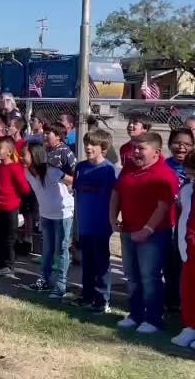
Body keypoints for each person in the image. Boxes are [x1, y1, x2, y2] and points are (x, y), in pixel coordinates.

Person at [111, 132, 179, 334]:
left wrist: (146, 230)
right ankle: (136, 315)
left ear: (156, 152)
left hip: (154, 234)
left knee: (150, 277)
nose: (135, 153)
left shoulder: (164, 174)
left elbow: (163, 207)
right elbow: (117, 192)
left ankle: (153, 319)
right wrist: (112, 217)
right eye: (134, 148)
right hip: (129, 230)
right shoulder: (130, 168)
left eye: (141, 149)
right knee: (132, 276)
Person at [22, 143, 74, 299]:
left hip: (63, 214)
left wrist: (70, 192)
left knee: (62, 250)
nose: (21, 157)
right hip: (46, 214)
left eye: (24, 154)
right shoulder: (27, 172)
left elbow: (72, 180)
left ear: (34, 155)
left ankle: (61, 285)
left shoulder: (52, 171)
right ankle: (44, 280)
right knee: (47, 249)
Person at [73, 128, 116, 313]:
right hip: (85, 224)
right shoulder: (81, 167)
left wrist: (112, 220)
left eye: (93, 145)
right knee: (87, 262)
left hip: (100, 224)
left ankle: (102, 299)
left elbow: (115, 197)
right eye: (86, 144)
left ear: (103, 147)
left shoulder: (108, 169)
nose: (88, 147)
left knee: (101, 263)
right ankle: (87, 295)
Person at [0, 136, 31, 276]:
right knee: (1, 236)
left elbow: (24, 188)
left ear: (9, 152)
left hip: (11, 207)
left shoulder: (14, 168)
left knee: (10, 237)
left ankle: (9, 265)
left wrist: (18, 200)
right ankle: (1, 262)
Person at [165, 129, 194, 313]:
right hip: (169, 221)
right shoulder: (164, 166)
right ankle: (172, 299)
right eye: (177, 142)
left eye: (187, 144)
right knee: (171, 261)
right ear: (169, 144)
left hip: (189, 223)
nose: (181, 147)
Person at [172, 152, 195, 347]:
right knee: (188, 289)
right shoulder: (187, 190)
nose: (190, 176)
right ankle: (189, 327)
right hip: (188, 248)